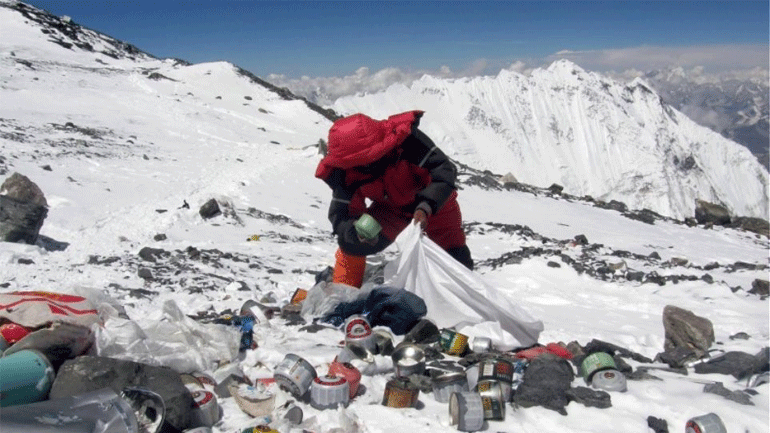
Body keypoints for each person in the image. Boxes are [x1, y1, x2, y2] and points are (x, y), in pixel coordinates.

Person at [315, 110, 473, 288]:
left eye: (369, 159)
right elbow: (343, 214)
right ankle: (343, 292)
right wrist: (354, 234)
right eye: (359, 162)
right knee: (351, 246)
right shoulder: (347, 172)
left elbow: (443, 174)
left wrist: (425, 207)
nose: (366, 166)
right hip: (390, 210)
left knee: (454, 257)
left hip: (435, 204)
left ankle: (464, 296)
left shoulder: (408, 142)